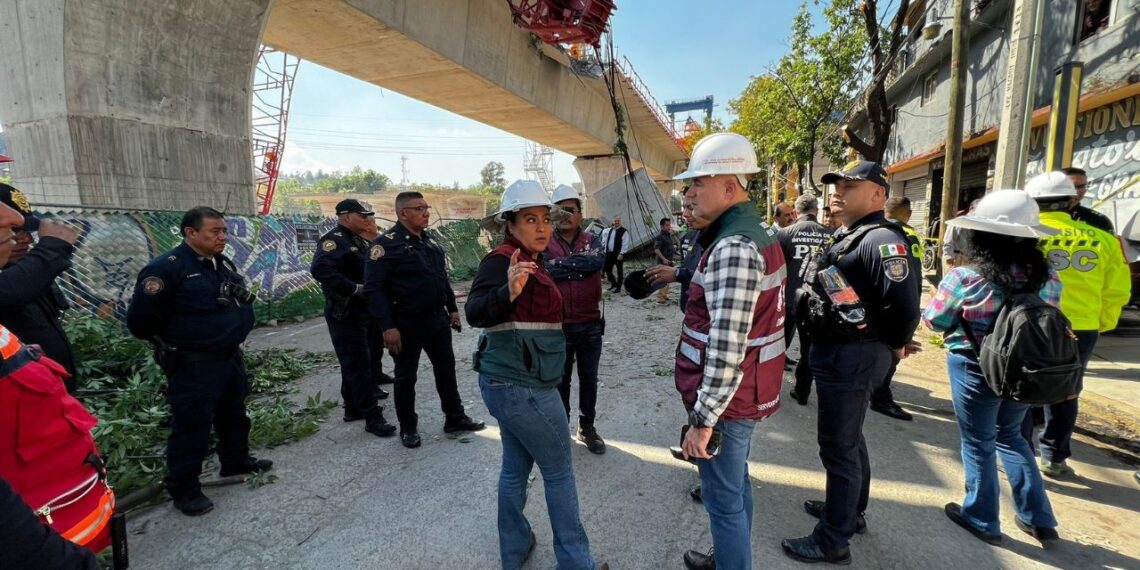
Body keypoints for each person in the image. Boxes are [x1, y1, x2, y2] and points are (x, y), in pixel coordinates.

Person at [782, 161, 922, 565]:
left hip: (854, 354)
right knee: (850, 438)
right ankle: (848, 511)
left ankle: (832, 539)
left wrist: (893, 346)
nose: (839, 191)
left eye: (850, 185)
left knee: (838, 447)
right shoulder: (850, 234)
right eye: (837, 185)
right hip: (838, 349)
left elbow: (905, 305)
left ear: (878, 194)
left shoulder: (881, 239)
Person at [465, 180, 609, 570]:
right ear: (509, 223)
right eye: (531, 219)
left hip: (509, 384)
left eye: (546, 219)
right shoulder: (501, 260)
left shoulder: (532, 256)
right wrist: (505, 293)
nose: (542, 227)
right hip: (522, 388)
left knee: (515, 467)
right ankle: (578, 564)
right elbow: (475, 311)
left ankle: (514, 550)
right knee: (559, 472)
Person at [672, 133, 787, 570]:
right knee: (736, 487)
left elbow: (726, 347)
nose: (689, 192)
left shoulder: (734, 248)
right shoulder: (752, 235)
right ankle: (728, 558)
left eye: (698, 181)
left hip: (729, 402)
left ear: (730, 185)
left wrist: (703, 421)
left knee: (723, 502)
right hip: (746, 393)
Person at [923, 189, 1061, 545]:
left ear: (980, 236)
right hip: (1025, 371)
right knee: (1013, 436)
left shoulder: (965, 277)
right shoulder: (1048, 278)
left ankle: (981, 516)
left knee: (978, 441)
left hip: (973, 366)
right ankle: (1038, 517)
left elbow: (936, 321)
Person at [126, 206, 271, 516]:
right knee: (192, 426)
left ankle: (235, 461)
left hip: (228, 357)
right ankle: (185, 489)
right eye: (214, 232)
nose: (222, 237)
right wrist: (178, 342)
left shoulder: (218, 263)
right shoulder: (166, 269)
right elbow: (140, 322)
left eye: (224, 232)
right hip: (194, 363)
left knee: (234, 413)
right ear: (190, 233)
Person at [1024, 172, 1130, 478]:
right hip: (1081, 327)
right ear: (1072, 201)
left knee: (1021, 381)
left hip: (1030, 322)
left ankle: (1017, 448)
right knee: (1067, 389)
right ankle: (1054, 456)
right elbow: (1117, 291)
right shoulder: (1105, 240)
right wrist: (1101, 322)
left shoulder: (1025, 233)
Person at [363, 192, 484, 449]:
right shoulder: (385, 246)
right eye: (419, 208)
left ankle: (455, 417)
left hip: (436, 321)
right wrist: (387, 326)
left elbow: (440, 279)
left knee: (446, 371)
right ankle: (408, 427)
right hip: (405, 324)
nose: (426, 212)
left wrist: (451, 308)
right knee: (406, 377)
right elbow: (375, 290)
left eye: (426, 207)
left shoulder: (430, 243)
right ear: (402, 213)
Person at [310, 199, 395, 437]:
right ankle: (372, 416)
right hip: (345, 311)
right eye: (362, 216)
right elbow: (320, 269)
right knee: (358, 364)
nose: (367, 220)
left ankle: (353, 408)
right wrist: (352, 288)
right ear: (346, 216)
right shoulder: (334, 240)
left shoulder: (356, 240)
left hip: (362, 311)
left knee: (356, 361)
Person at [0, 183, 81, 391]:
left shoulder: (24, 271)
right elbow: (9, 291)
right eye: (12, 230)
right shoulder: (21, 277)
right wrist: (51, 249)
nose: (25, 239)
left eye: (27, 230)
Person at [546, 184, 608, 455]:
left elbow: (595, 263)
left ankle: (587, 427)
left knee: (589, 379)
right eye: (561, 210)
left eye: (572, 209)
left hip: (590, 323)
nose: (567, 215)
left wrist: (560, 266)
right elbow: (544, 271)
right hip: (559, 326)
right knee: (561, 381)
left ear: (581, 213)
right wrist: (576, 266)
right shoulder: (544, 241)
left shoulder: (593, 239)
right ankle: (561, 430)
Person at [867, 196, 925, 422]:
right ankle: (880, 396)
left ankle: (875, 390)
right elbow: (913, 274)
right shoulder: (906, 234)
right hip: (900, 300)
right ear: (908, 213)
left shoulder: (875, 230)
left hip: (877, 303)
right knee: (893, 350)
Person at [777, 193, 832, 406]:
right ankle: (802, 392)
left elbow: (775, 269)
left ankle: (770, 388)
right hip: (816, 303)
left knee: (777, 345)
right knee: (809, 349)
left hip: (788, 300)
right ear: (816, 211)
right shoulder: (831, 235)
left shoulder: (784, 234)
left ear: (795, 212)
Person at [1062, 166, 1114, 233]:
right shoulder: (1044, 215)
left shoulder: (1098, 220)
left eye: (1082, 186)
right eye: (1071, 186)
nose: (1077, 191)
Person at [942, 198, 982, 269]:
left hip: (969, 260)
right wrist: (949, 256)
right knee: (953, 279)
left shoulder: (977, 225)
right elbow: (948, 240)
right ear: (971, 208)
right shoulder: (960, 221)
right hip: (956, 258)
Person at [600, 216, 629, 293]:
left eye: (618, 221)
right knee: (606, 268)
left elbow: (625, 243)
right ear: (613, 221)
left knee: (619, 271)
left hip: (618, 254)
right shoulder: (610, 230)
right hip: (609, 253)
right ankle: (614, 284)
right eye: (615, 221)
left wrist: (622, 253)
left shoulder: (624, 231)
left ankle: (618, 287)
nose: (616, 222)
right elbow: (607, 241)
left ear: (620, 221)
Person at [653, 217, 676, 304]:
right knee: (663, 280)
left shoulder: (668, 235)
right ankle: (660, 298)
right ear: (662, 226)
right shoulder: (660, 237)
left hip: (668, 261)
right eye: (667, 225)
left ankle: (664, 295)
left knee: (668, 279)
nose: (669, 227)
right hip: (662, 262)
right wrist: (664, 259)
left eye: (669, 225)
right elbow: (656, 249)